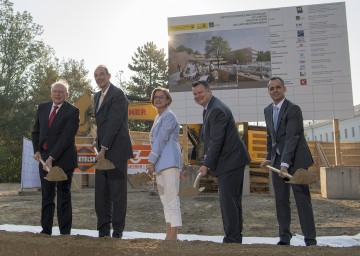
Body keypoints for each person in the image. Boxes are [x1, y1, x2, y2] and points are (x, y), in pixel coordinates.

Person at [260, 76, 317, 246]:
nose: (275, 90)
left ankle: (310, 239)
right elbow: (271, 136)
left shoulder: (293, 109)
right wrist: (270, 158)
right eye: (272, 88)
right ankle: (284, 237)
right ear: (268, 91)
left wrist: (285, 164)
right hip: (278, 162)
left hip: (296, 162)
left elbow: (292, 137)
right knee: (281, 200)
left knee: (302, 200)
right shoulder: (268, 110)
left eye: (278, 87)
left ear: (284, 89)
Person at [192, 80, 251, 243]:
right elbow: (212, 141)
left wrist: (206, 164)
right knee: (232, 201)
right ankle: (235, 235)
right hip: (231, 161)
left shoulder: (216, 109)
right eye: (195, 94)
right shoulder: (210, 108)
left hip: (230, 161)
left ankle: (232, 238)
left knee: (228, 201)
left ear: (209, 92)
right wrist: (207, 160)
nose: (198, 96)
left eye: (200, 92)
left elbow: (217, 141)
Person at [31, 80, 80, 235]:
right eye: (55, 91)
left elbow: (66, 137)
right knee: (47, 195)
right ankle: (46, 230)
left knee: (63, 195)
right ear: (51, 93)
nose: (58, 94)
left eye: (61, 91)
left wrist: (52, 157)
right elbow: (35, 132)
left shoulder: (72, 111)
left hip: (64, 160)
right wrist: (37, 150)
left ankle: (65, 233)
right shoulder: (43, 107)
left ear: (67, 94)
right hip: (44, 160)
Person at [93, 65, 133, 238]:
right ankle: (103, 230)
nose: (99, 78)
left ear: (109, 75)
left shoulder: (117, 94)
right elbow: (101, 125)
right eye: (96, 75)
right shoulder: (96, 96)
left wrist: (103, 148)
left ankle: (117, 231)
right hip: (102, 151)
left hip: (116, 151)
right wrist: (98, 145)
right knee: (101, 192)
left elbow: (114, 123)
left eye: (102, 74)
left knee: (117, 193)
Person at [147, 87, 182, 240]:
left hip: (170, 163)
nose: (158, 99)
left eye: (162, 97)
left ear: (168, 100)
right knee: (165, 200)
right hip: (161, 165)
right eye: (156, 97)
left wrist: (150, 161)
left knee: (172, 199)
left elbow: (161, 140)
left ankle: (173, 236)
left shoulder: (169, 116)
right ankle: (168, 234)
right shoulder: (158, 117)